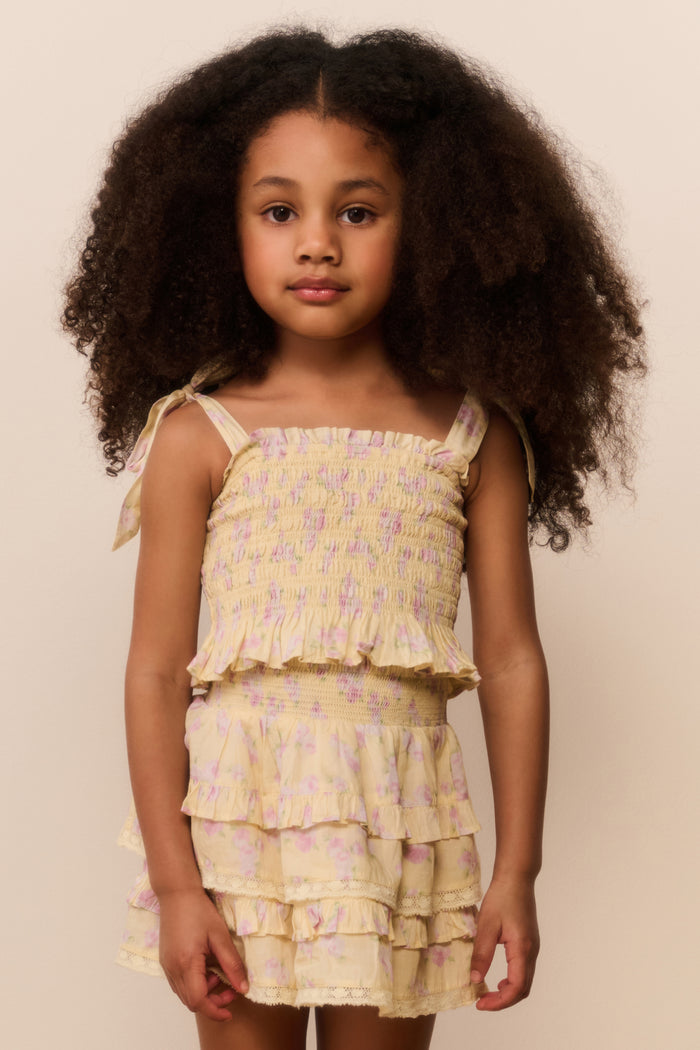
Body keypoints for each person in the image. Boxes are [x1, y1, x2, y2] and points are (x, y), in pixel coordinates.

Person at [61, 24, 647, 1050]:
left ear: (433, 226)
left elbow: (510, 659)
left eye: (359, 211)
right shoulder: (199, 434)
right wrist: (175, 884)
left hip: (400, 828)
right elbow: (156, 672)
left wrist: (517, 871)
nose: (317, 242)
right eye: (279, 210)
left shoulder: (472, 434)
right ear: (222, 228)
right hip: (242, 835)